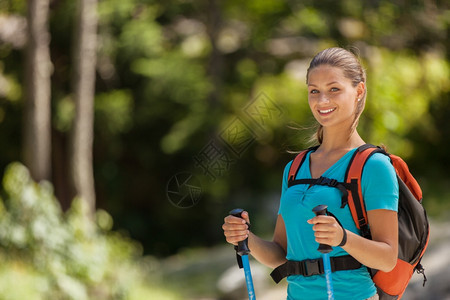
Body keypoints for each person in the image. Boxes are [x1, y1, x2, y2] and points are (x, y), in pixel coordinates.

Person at [222, 47, 399, 300]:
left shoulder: (373, 166)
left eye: (333, 89)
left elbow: (388, 258)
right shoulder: (295, 168)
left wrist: (342, 237)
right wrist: (246, 238)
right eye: (314, 91)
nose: (322, 100)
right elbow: (280, 253)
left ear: (358, 91)